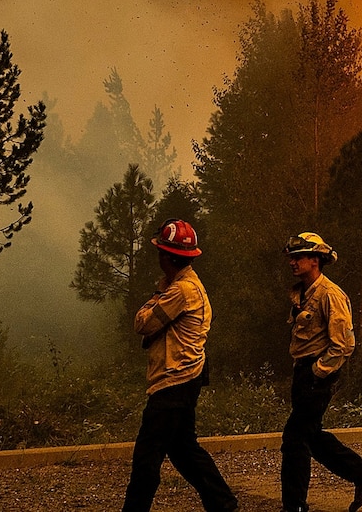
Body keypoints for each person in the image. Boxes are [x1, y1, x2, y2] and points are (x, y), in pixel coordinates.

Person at [122, 219, 239, 512]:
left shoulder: (181, 292)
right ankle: (223, 503)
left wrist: (154, 298)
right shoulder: (185, 287)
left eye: (160, 252)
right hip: (186, 377)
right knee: (184, 449)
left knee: (147, 456)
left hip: (173, 381)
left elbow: (142, 323)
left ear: (166, 256)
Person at [281, 232, 362, 512]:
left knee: (294, 439)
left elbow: (344, 344)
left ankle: (295, 506)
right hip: (303, 373)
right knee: (312, 437)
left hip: (317, 376)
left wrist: (317, 372)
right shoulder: (301, 293)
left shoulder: (330, 295)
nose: (292, 262)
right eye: (291, 257)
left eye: (299, 257)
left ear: (315, 260)